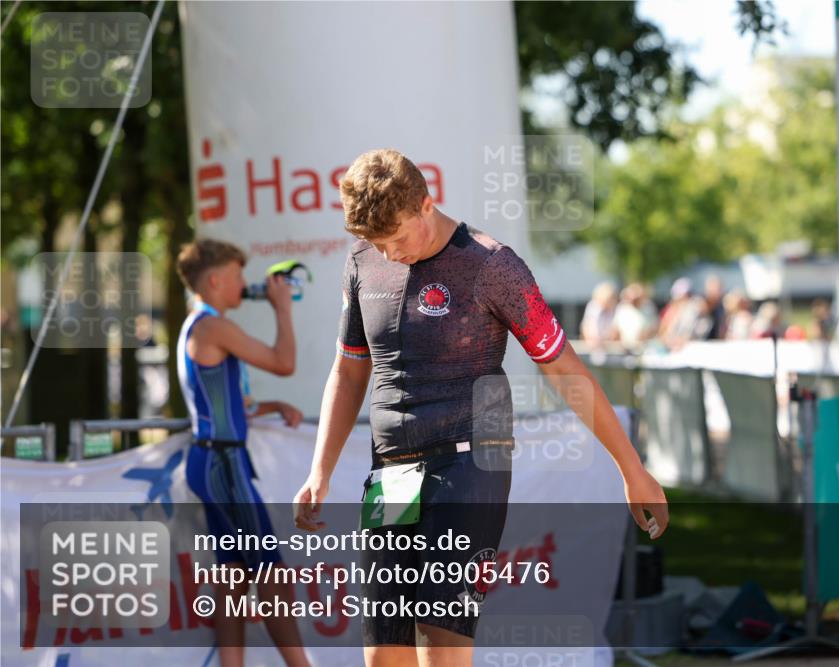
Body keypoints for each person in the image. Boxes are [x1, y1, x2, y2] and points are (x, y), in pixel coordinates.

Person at [293, 149, 668, 667]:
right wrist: (320, 470)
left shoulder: (493, 265)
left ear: (427, 205)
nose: (390, 252)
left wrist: (632, 469)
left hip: (468, 464)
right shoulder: (362, 261)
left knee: (439, 647)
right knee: (384, 654)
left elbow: (565, 370)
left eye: (397, 238)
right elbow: (350, 369)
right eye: (377, 243)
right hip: (392, 472)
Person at [175, 238, 310, 667]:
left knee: (233, 575)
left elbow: (228, 403)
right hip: (223, 463)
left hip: (213, 459)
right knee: (271, 572)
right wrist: (282, 307)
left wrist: (273, 407)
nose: (244, 285)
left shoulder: (199, 325)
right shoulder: (213, 326)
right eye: (236, 276)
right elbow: (282, 362)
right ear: (215, 280)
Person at [580, 281, 618, 348]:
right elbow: (589, 329)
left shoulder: (613, 310)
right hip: (594, 347)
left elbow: (615, 330)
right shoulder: (593, 308)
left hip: (608, 346)